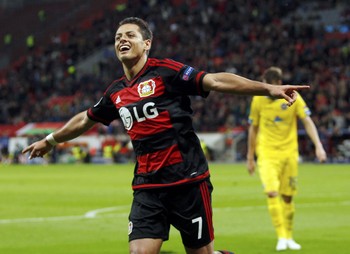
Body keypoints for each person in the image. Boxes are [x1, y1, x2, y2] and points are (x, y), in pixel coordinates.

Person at [23, 17, 309, 254]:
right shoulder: (116, 91)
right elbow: (86, 118)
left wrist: (268, 89)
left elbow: (215, 80)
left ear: (146, 43)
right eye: (117, 37)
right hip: (147, 186)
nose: (122, 39)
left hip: (188, 180)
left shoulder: (166, 72)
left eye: (130, 35)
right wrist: (50, 141)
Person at [246, 66, 327, 251]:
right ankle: (281, 237)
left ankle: (289, 236)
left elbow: (307, 121)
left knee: (288, 197)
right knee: (272, 192)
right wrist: (250, 157)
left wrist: (319, 146)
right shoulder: (257, 100)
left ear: (279, 84)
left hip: (289, 153)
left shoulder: (294, 97)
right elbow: (253, 128)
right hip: (267, 154)